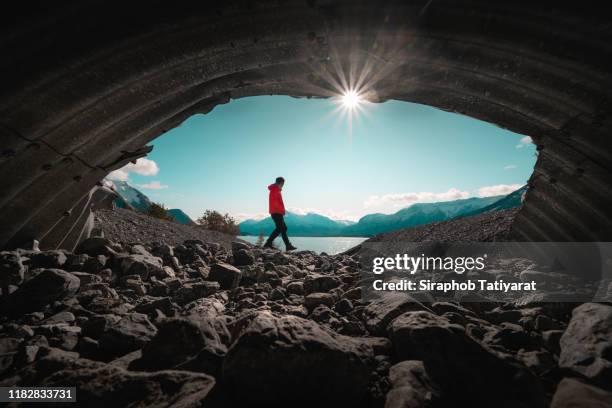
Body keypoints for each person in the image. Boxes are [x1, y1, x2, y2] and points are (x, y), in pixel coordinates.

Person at [263, 177, 297, 251]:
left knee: (282, 228)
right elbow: (275, 203)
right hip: (276, 212)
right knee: (281, 228)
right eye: (283, 183)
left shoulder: (276, 190)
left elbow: (277, 202)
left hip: (276, 212)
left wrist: (282, 210)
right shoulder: (275, 190)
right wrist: (281, 210)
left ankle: (268, 243)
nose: (283, 185)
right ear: (281, 183)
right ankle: (287, 245)